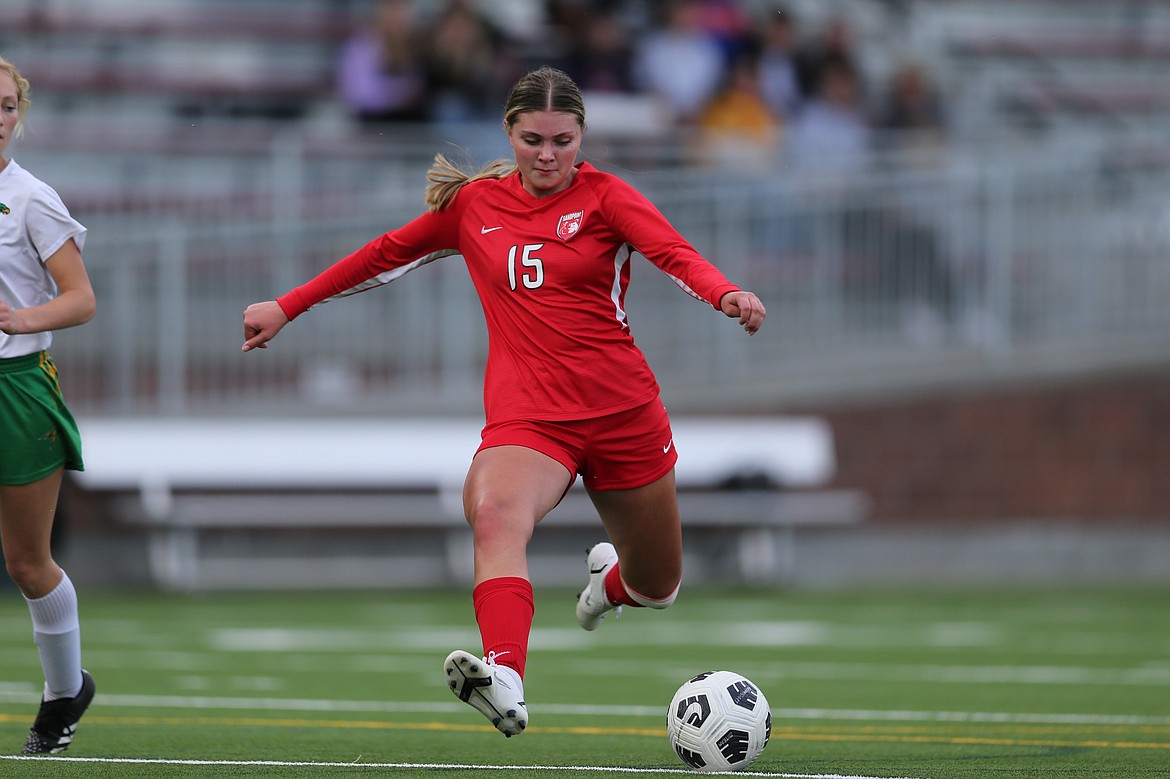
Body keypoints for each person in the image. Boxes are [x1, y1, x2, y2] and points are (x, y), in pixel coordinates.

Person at [241, 66, 765, 738]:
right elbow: (382, 255)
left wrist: (727, 293)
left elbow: (674, 253)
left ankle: (607, 584)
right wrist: (288, 305)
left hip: (622, 413)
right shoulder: (475, 205)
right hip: (530, 419)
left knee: (657, 585)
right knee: (493, 516)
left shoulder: (609, 199)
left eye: (562, 140)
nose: (547, 154)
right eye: (532, 138)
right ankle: (506, 675)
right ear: (509, 133)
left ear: (581, 137)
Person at [0, 56, 97, 755]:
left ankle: (65, 693)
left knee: (28, 562)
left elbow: (79, 297)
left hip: (17, 384)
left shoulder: (30, 197)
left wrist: (17, 319)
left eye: (6, 107)